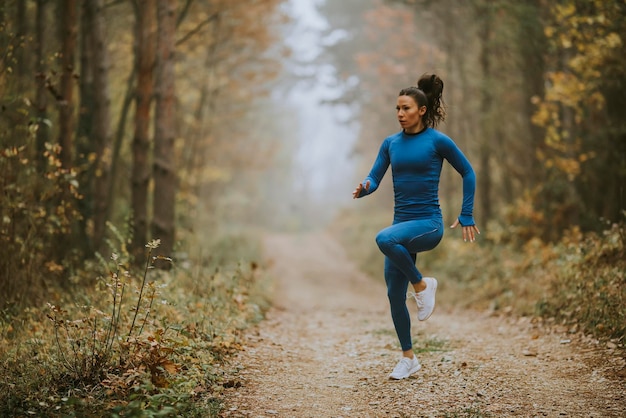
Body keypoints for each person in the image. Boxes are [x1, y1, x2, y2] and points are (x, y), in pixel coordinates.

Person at [352, 73, 480, 380]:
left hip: (428, 224)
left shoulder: (437, 141)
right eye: (397, 108)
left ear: (421, 110)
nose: (400, 114)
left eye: (406, 108)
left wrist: (466, 213)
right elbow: (375, 177)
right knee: (394, 295)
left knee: (383, 239)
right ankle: (408, 358)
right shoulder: (390, 143)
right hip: (402, 226)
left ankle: (423, 285)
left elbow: (468, 172)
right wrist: (365, 186)